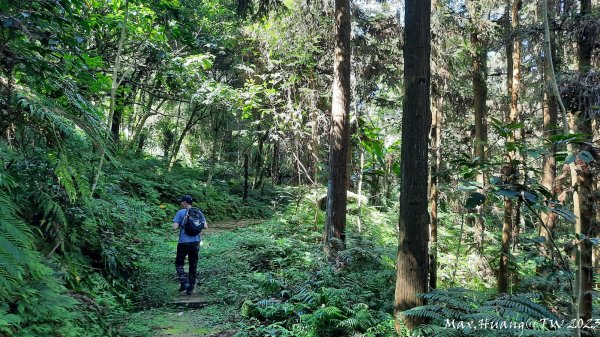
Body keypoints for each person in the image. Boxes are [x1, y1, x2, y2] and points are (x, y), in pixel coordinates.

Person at [172, 195, 207, 295]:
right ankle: (191, 287)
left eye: (181, 202)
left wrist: (180, 224)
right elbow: (205, 226)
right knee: (193, 264)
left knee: (179, 263)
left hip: (183, 242)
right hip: (196, 242)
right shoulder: (198, 212)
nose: (180, 203)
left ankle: (184, 282)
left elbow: (174, 227)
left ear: (184, 203)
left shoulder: (180, 212)